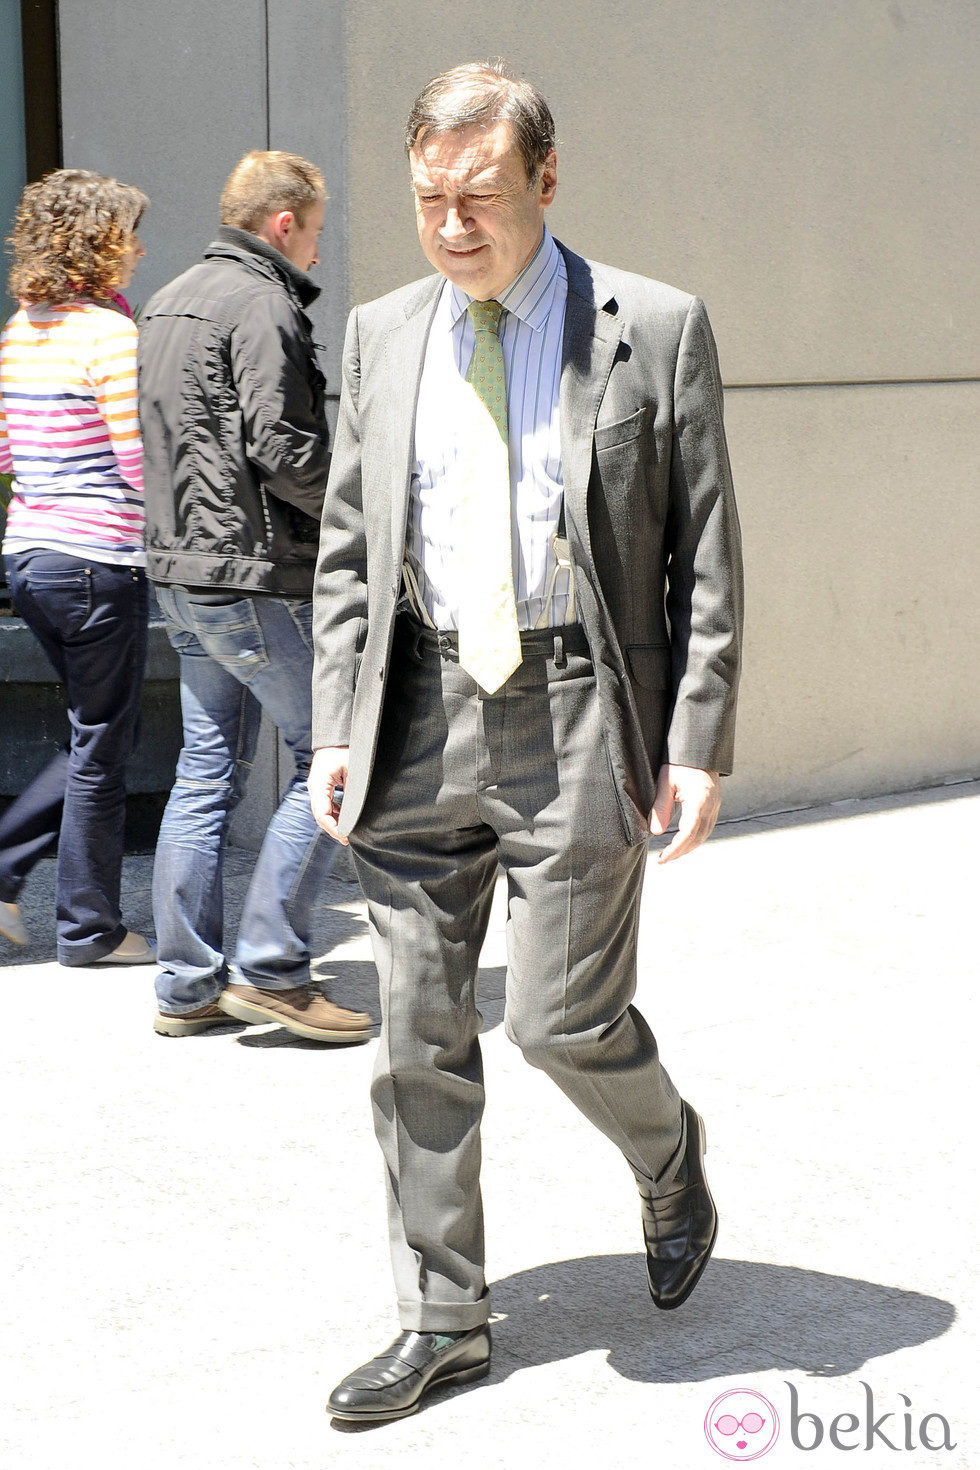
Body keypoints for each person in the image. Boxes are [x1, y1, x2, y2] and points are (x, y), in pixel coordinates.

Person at [309, 63, 744, 1422]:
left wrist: (699, 739)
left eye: (480, 198)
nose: (452, 227)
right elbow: (347, 545)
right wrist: (337, 720)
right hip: (418, 707)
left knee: (561, 1015)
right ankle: (443, 1315)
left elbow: (706, 557)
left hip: (576, 704)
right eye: (430, 200)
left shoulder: (652, 327)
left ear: (546, 181)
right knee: (415, 1033)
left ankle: (671, 1158)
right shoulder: (382, 332)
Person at [138, 150, 370, 1043]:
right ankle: (271, 969)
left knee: (205, 771)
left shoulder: (166, 298)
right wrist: (368, 510)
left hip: (182, 576)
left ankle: (186, 984)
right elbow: (282, 446)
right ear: (284, 223)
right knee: (335, 762)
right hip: (253, 577)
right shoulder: (265, 301)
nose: (316, 250)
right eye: (314, 232)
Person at [0, 168, 154, 966]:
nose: (136, 247)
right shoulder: (109, 335)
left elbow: (4, 452)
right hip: (96, 560)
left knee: (91, 733)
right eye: (126, 231)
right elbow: (137, 462)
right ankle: (90, 928)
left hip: (30, 557)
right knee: (103, 746)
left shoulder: (21, 330)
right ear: (99, 241)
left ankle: (6, 871)